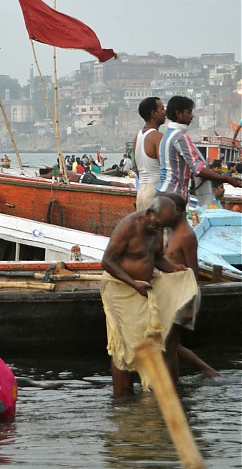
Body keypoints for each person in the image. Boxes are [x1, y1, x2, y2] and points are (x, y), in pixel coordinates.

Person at [100, 196, 199, 394]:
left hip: (143, 289)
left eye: (164, 226)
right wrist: (133, 283)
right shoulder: (128, 226)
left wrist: (173, 269)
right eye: (159, 224)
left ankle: (146, 387)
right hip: (121, 289)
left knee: (146, 340)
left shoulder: (157, 227)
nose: (159, 229)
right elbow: (107, 261)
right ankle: (121, 394)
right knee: (124, 344)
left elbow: (157, 258)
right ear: (149, 213)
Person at [163, 192, 220, 378]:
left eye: (165, 211)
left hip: (183, 295)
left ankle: (172, 388)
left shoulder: (186, 235)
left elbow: (192, 272)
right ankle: (210, 372)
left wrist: (189, 305)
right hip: (171, 295)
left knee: (168, 346)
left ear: (177, 211)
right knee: (169, 344)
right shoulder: (171, 233)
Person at [156, 96, 242, 200]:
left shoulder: (168, 134)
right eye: (189, 112)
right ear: (178, 113)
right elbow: (198, 169)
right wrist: (227, 179)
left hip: (163, 191)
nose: (192, 116)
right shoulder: (180, 137)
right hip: (174, 195)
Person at [132, 97, 166, 211]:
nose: (165, 112)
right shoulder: (157, 137)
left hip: (141, 192)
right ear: (154, 113)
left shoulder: (137, 136)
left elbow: (136, 168)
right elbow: (165, 169)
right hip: (153, 192)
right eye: (162, 109)